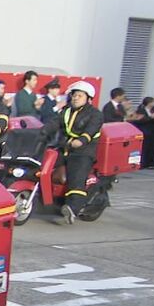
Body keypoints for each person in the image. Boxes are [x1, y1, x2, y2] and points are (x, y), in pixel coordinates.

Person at [40, 81, 102, 224]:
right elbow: (55, 123)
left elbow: (91, 130)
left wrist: (81, 140)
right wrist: (42, 132)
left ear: (88, 99)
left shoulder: (95, 114)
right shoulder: (66, 111)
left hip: (83, 152)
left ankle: (72, 209)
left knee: (76, 177)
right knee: (42, 164)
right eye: (74, 95)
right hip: (65, 148)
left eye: (80, 96)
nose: (75, 98)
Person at [131, 96, 154, 169]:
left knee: (150, 148)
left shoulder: (152, 110)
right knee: (143, 148)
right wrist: (151, 117)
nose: (153, 104)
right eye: (152, 102)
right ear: (148, 103)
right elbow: (139, 120)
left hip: (152, 131)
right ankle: (141, 163)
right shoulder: (141, 110)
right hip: (143, 130)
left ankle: (148, 163)